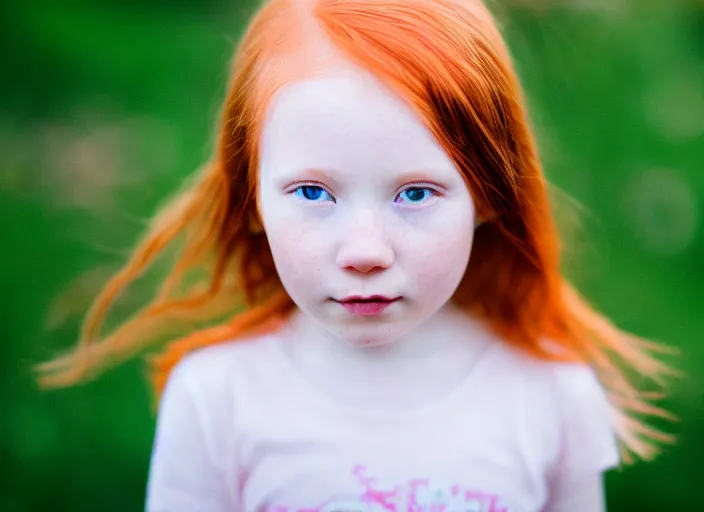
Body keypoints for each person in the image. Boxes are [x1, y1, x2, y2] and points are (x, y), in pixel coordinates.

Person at [36, 0, 676, 510]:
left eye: (417, 192)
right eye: (314, 191)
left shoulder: (552, 395)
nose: (365, 251)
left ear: (487, 192)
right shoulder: (217, 399)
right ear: (251, 192)